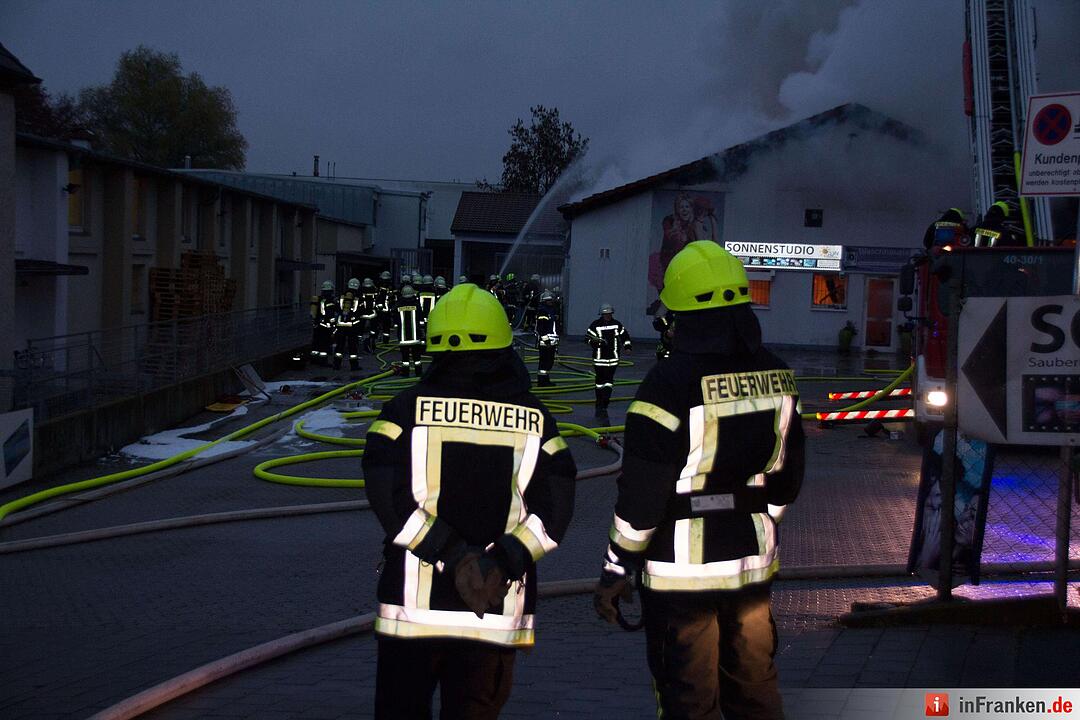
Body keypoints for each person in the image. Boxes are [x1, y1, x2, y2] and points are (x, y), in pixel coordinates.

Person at [593, 241, 805, 720]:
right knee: (755, 692)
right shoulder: (779, 375)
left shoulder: (666, 385)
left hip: (680, 577)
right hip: (752, 568)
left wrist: (615, 569)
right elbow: (787, 479)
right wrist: (761, 521)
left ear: (682, 315)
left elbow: (642, 500)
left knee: (689, 700)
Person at [364, 283, 577, 720]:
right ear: (502, 342)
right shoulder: (536, 418)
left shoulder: (403, 411)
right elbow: (555, 509)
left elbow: (386, 494)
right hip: (492, 608)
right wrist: (503, 560)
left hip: (412, 612)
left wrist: (450, 552)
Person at [586, 303, 631, 419]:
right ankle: (599, 401)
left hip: (613, 359)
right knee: (599, 382)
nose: (608, 316)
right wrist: (595, 342)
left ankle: (605, 401)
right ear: (602, 314)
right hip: (599, 359)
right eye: (606, 314)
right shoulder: (595, 325)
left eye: (609, 314)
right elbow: (587, 339)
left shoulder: (616, 324)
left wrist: (627, 347)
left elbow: (625, 336)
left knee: (609, 381)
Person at [395, 285, 424, 376]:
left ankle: (405, 373)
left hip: (403, 338)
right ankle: (418, 373)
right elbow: (421, 319)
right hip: (415, 337)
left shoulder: (398, 305)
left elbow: (395, 321)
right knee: (417, 358)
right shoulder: (417, 304)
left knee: (405, 358)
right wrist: (422, 331)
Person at [334, 278, 362, 371]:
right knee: (352, 346)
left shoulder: (342, 295)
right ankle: (354, 366)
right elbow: (360, 311)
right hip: (352, 325)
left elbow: (337, 308)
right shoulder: (357, 296)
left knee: (340, 345)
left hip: (341, 324)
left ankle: (336, 365)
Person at [534, 290, 560, 387]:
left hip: (551, 342)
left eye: (551, 300)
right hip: (545, 343)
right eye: (549, 300)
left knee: (549, 363)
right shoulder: (543, 312)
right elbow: (541, 329)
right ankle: (542, 382)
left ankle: (545, 380)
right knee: (544, 363)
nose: (551, 302)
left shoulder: (550, 311)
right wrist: (547, 341)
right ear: (544, 301)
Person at [310, 281, 337, 366]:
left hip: (317, 325)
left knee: (316, 343)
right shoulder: (329, 301)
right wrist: (333, 325)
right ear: (331, 290)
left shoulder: (318, 299)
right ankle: (323, 362)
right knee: (324, 344)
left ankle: (314, 360)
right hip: (325, 326)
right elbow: (330, 315)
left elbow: (314, 313)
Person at [359, 277, 380, 354]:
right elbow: (378, 300)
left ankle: (365, 347)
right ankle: (372, 346)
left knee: (364, 332)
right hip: (373, 314)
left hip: (363, 314)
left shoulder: (360, 290)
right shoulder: (375, 290)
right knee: (373, 331)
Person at [375, 270, 396, 345]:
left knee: (378, 325)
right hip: (386, 310)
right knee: (385, 327)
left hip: (380, 310)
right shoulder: (391, 286)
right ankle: (385, 341)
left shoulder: (378, 285)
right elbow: (394, 298)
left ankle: (376, 339)